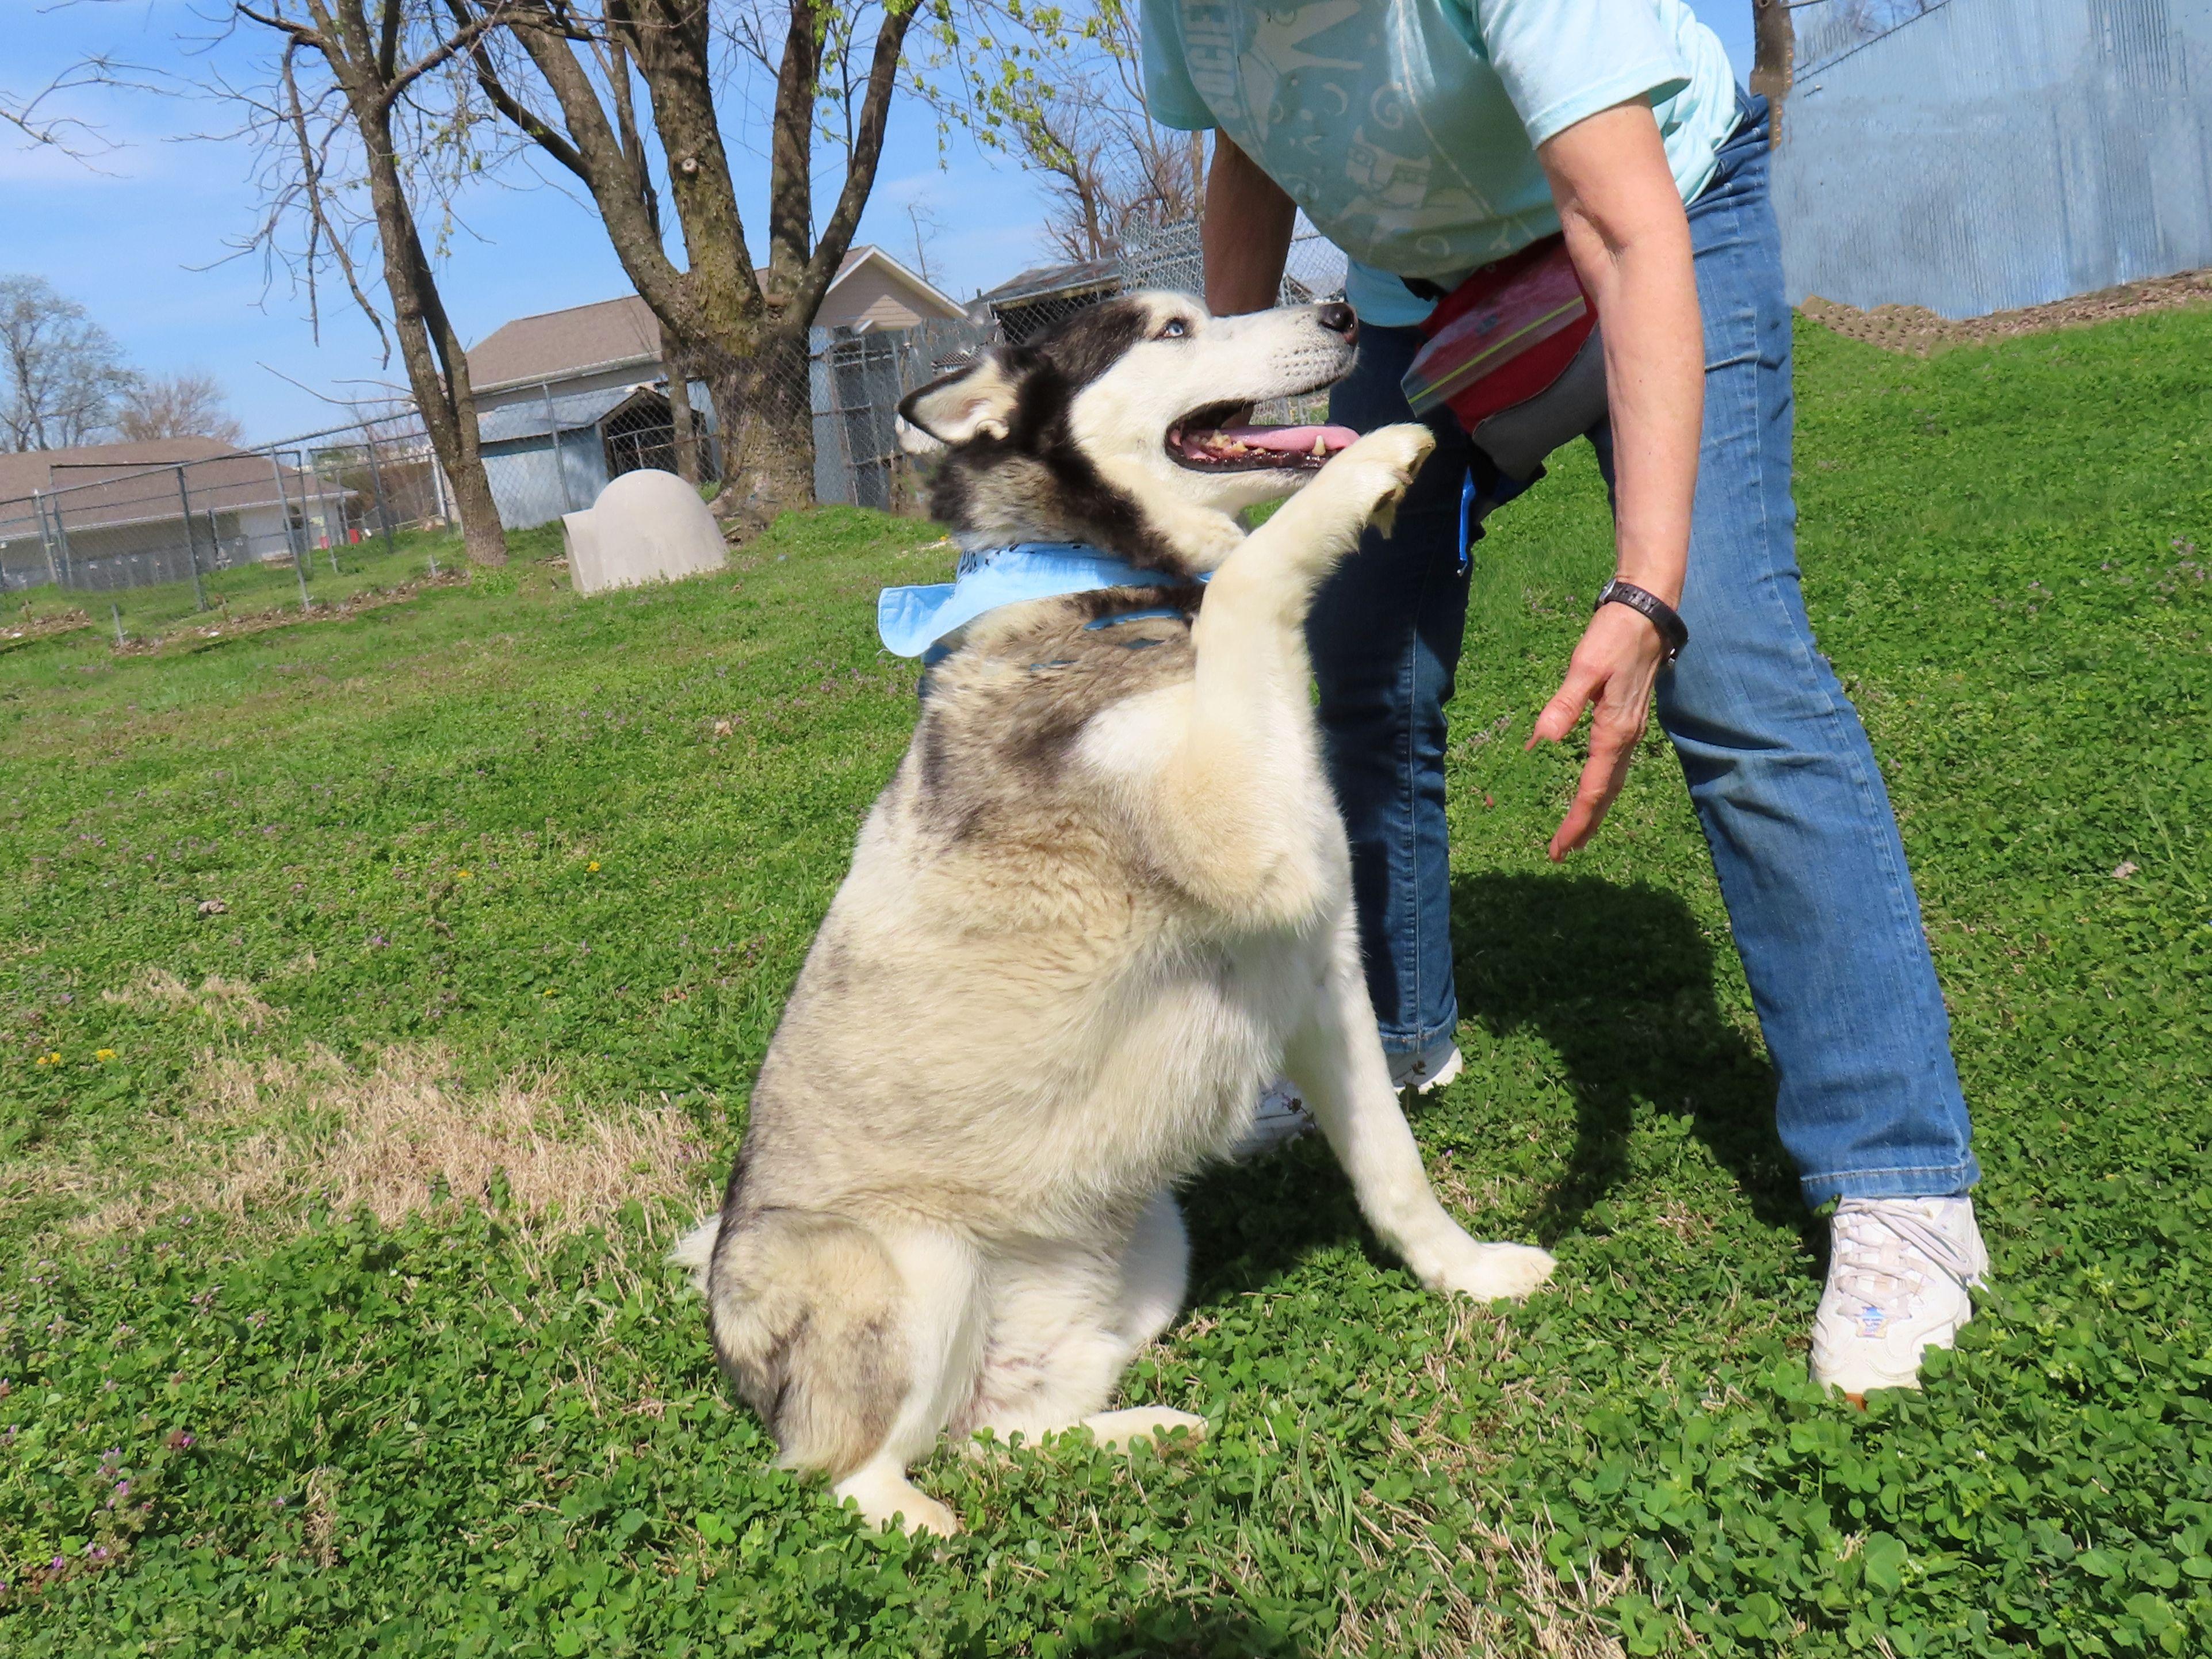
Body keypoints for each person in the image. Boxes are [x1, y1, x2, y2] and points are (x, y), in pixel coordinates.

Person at [1141, 0, 1988, 1395]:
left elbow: (1625, 229)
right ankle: (1390, 1038)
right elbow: (1252, 143)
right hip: (1425, 298)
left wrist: (1647, 586)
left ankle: (1899, 1176)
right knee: (1356, 663)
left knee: (1733, 661)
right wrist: (1222, 414)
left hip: (1661, 222)